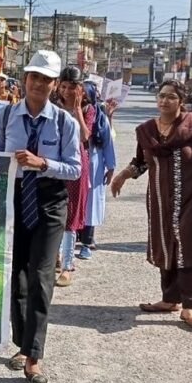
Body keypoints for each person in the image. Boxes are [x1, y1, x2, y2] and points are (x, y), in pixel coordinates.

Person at [111, 80, 192, 329]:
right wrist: (122, 175)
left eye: (171, 97)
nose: (165, 101)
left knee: (189, 246)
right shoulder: (146, 131)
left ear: (181, 101)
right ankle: (169, 299)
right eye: (162, 96)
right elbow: (141, 162)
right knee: (165, 245)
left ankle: (189, 306)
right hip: (159, 200)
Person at [2, 50, 81, 383]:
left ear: (55, 85)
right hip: (14, 198)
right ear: (25, 79)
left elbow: (75, 169)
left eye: (46, 79)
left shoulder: (65, 122)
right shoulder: (6, 116)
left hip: (49, 201)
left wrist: (43, 163)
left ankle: (35, 355)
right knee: (17, 273)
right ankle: (22, 343)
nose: (38, 83)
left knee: (41, 275)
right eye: (34, 76)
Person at [53, 67, 94, 287]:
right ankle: (55, 256)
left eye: (72, 87)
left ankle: (68, 265)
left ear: (80, 88)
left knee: (71, 215)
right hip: (53, 163)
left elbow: (85, 136)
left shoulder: (88, 109)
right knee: (52, 210)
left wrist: (77, 110)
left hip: (76, 165)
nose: (67, 91)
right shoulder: (52, 107)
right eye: (64, 86)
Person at [77, 81, 117, 260]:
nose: (81, 98)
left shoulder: (99, 119)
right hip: (73, 165)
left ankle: (87, 243)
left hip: (94, 166)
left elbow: (108, 143)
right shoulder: (67, 114)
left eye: (85, 95)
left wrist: (111, 167)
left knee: (90, 204)